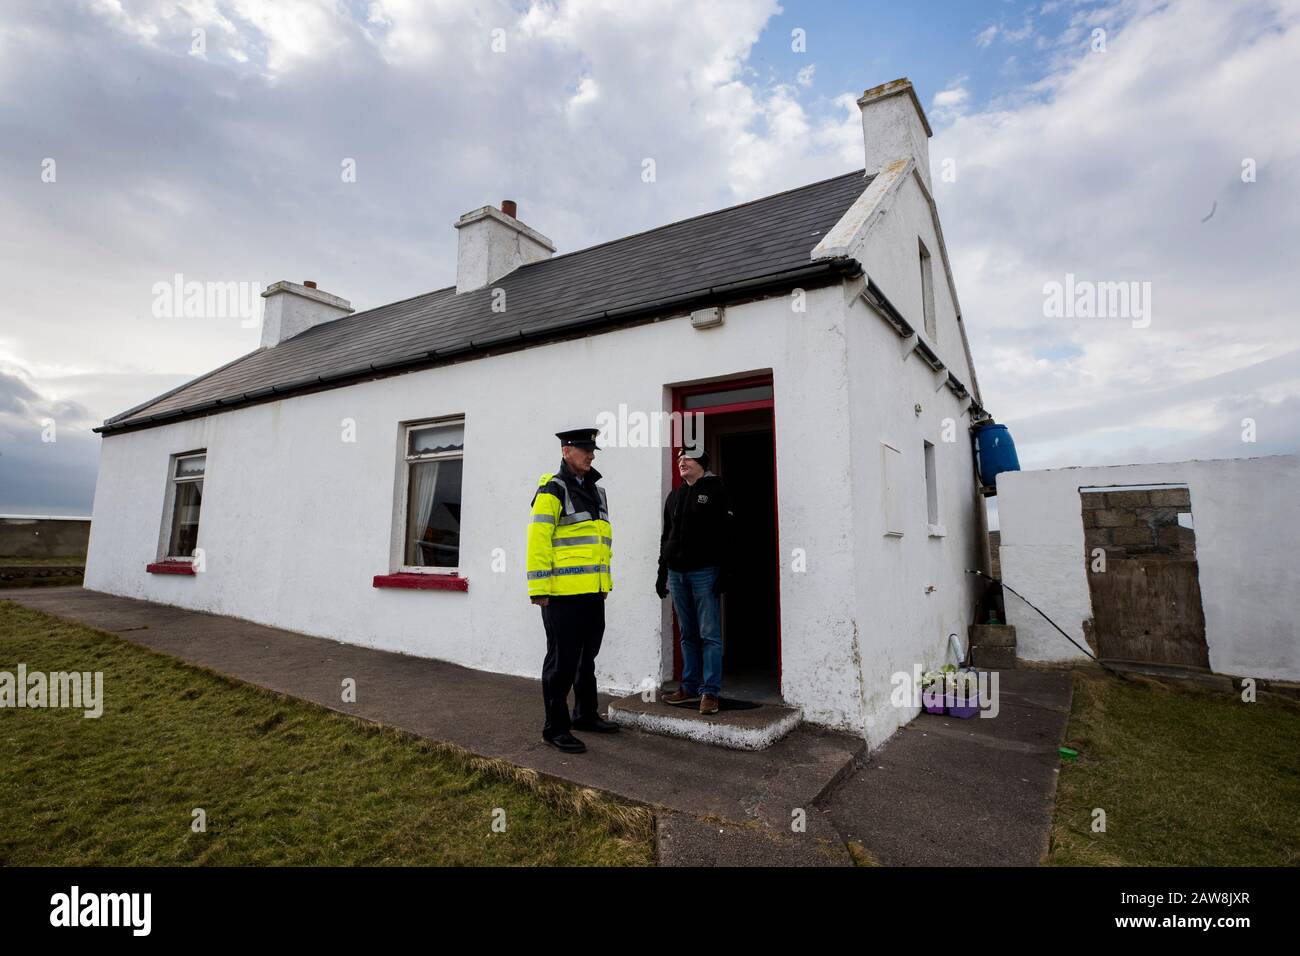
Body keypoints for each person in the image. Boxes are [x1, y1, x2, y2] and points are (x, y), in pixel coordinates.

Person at [526, 427, 618, 754]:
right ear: (567, 452)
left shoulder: (597, 491)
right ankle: (555, 728)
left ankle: (585, 715)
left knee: (586, 659)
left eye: (592, 450)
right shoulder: (552, 490)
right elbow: (538, 543)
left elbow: (600, 545)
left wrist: (602, 583)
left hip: (592, 593)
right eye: (584, 450)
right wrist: (539, 589)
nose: (591, 455)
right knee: (561, 663)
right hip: (561, 595)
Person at [655, 447, 735, 715]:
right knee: (687, 633)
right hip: (677, 573)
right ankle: (689, 686)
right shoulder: (674, 496)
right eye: (679, 459)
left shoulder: (716, 491)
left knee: (709, 634)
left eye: (687, 458)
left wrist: (724, 571)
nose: (681, 462)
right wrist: (662, 572)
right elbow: (666, 535)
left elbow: (728, 534)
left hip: (704, 572)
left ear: (701, 462)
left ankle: (709, 692)